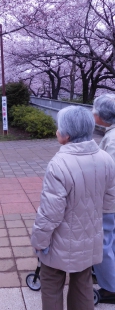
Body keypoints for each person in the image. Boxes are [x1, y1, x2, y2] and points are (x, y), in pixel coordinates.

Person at [31, 106, 115, 310]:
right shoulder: (105, 158)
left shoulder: (59, 164)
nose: (57, 132)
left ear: (66, 136)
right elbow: (110, 200)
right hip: (90, 236)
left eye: (59, 128)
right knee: (83, 283)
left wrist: (39, 240)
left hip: (59, 241)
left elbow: (50, 212)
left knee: (51, 283)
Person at [92, 94, 115, 304]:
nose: (93, 113)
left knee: (103, 243)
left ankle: (110, 288)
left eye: (95, 111)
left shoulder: (113, 139)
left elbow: (109, 172)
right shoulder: (111, 134)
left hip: (110, 201)